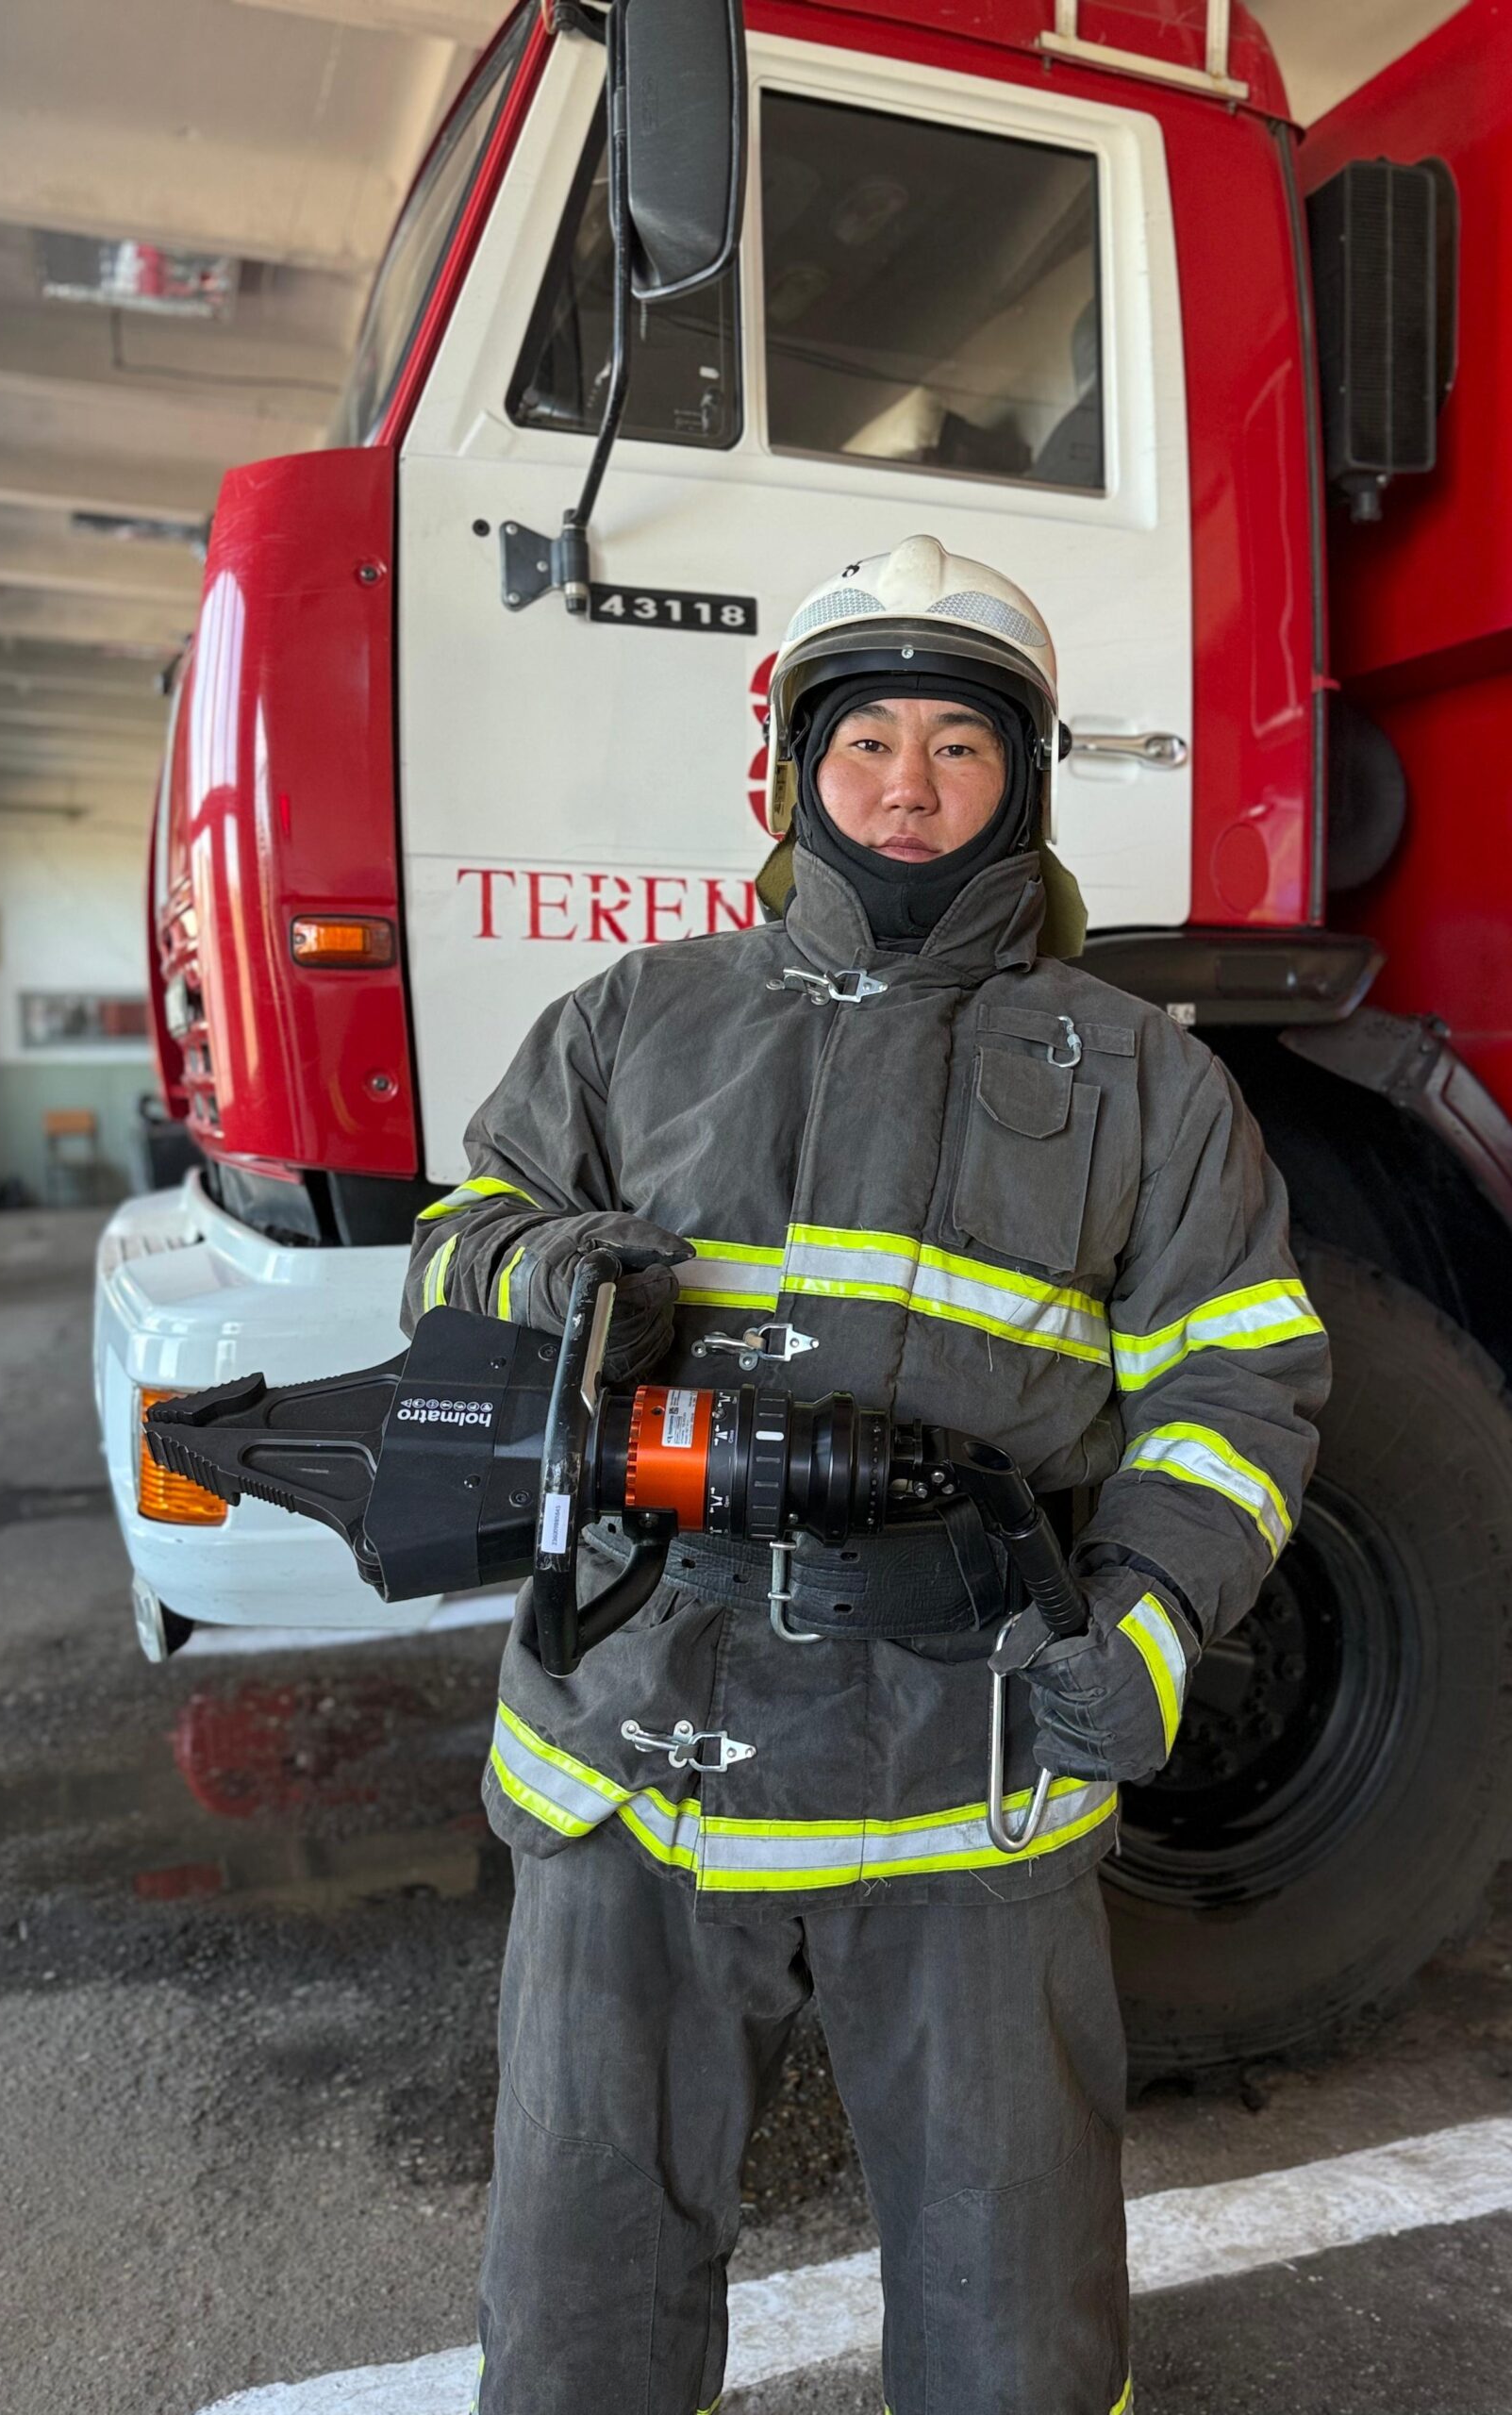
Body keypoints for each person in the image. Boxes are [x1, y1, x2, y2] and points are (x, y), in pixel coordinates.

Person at [404, 534, 1332, 2415]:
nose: (909, 784)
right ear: (793, 771)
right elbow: (457, 1236)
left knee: (1019, 2320)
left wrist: (1144, 1623)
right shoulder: (630, 1018)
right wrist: (540, 1271)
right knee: (580, 2309)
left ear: (1024, 783)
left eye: (962, 746)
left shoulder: (1139, 1075)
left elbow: (1242, 1381)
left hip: (964, 1777)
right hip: (632, 1750)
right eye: (867, 740)